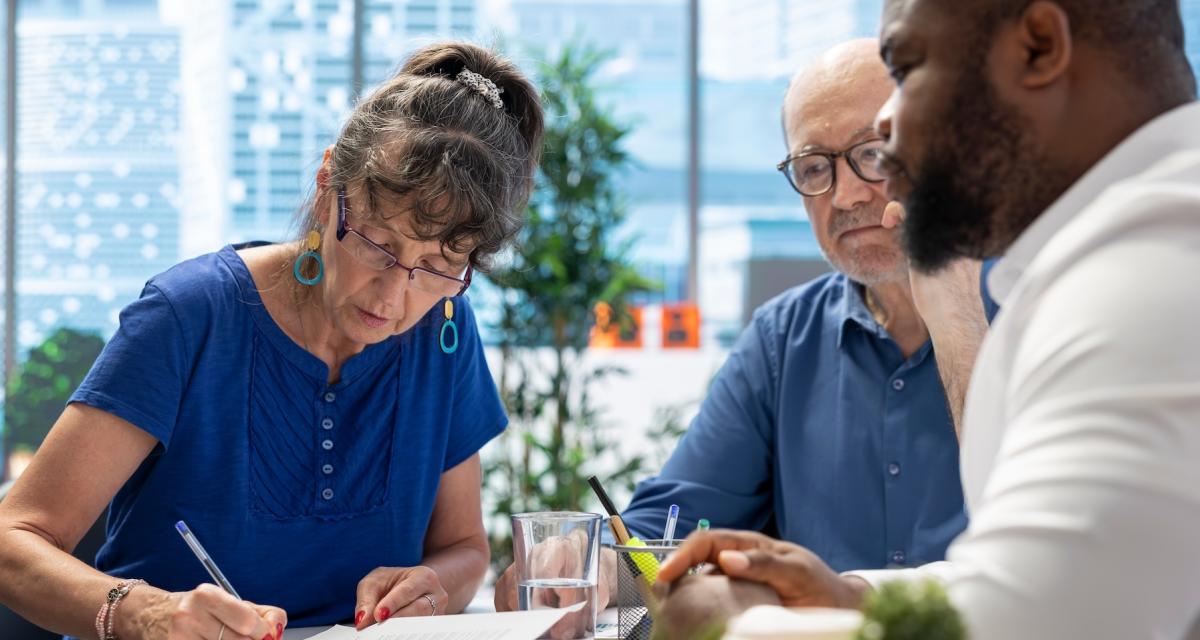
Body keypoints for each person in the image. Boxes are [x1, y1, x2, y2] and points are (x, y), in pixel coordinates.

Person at [659, 1, 1200, 638]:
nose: (892, 123)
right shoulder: (1100, 254)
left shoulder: (1155, 266)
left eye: (908, 67)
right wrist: (851, 595)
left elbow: (1043, 619)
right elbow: (1037, 563)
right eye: (814, 166)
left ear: (1039, 46)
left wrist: (746, 626)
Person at [0, 42, 543, 640]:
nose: (394, 297)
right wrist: (144, 613)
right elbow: (13, 542)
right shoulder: (190, 316)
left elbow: (462, 547)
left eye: (438, 263)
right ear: (325, 188)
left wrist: (431, 586)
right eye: (377, 243)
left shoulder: (443, 329)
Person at [496, 39, 993, 614]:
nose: (846, 194)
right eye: (813, 167)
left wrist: (958, 314)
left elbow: (1059, 537)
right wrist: (600, 566)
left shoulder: (1037, 310)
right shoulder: (783, 339)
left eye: (875, 154)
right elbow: (675, 523)